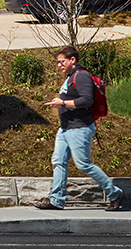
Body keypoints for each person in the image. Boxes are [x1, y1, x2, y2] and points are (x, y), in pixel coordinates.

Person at [39, 46, 123, 211]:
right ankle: (56, 201)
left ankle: (114, 194)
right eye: (57, 62)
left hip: (79, 128)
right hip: (65, 128)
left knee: (83, 164)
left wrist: (61, 103)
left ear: (72, 60)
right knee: (58, 162)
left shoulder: (81, 75)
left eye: (61, 61)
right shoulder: (71, 77)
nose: (59, 65)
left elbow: (87, 100)